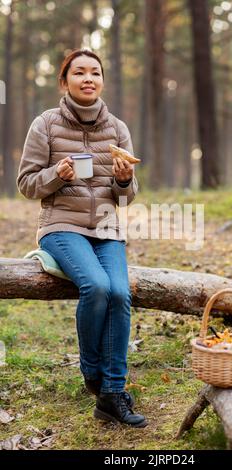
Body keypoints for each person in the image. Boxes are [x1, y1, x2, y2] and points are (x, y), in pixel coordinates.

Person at [16, 49, 147, 428]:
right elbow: (26, 184)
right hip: (61, 227)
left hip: (107, 229)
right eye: (79, 72)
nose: (88, 78)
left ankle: (112, 393)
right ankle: (94, 374)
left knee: (120, 292)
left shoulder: (118, 129)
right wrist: (57, 174)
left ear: (102, 81)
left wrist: (123, 180)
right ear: (65, 81)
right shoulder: (45, 124)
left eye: (95, 72)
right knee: (97, 286)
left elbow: (127, 197)